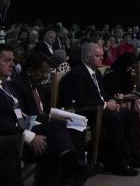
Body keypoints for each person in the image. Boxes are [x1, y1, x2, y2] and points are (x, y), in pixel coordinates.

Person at [58, 42, 140, 176]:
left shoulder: (96, 73)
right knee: (115, 118)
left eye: (102, 55)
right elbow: (80, 100)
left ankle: (133, 156)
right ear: (87, 57)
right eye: (98, 56)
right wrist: (106, 105)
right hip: (87, 112)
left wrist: (112, 100)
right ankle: (119, 163)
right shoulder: (77, 74)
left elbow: (101, 94)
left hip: (99, 108)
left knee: (131, 115)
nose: (102, 58)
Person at [2, 49, 87, 186]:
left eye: (13, 60)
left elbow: (22, 115)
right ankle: (72, 167)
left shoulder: (8, 87)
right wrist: (28, 134)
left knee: (75, 127)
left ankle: (73, 167)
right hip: (14, 136)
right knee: (57, 129)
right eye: (7, 60)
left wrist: (57, 114)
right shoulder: (15, 85)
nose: (13, 64)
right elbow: (12, 120)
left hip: (25, 126)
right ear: (30, 71)